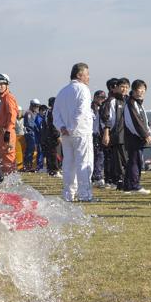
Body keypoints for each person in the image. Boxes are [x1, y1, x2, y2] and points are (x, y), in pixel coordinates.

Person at [52, 63, 95, 202]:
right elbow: (81, 111)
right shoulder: (83, 89)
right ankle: (85, 194)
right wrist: (71, 127)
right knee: (84, 163)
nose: (89, 77)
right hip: (81, 132)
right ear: (79, 75)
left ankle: (68, 194)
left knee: (69, 164)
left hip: (66, 134)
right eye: (86, 74)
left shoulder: (62, 91)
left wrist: (62, 127)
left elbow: (55, 113)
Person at [123, 80, 151, 194]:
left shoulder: (139, 104)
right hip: (133, 138)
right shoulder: (131, 103)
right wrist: (144, 135)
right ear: (134, 90)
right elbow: (134, 122)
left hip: (138, 137)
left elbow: (144, 121)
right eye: (140, 89)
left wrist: (149, 133)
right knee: (135, 162)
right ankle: (135, 186)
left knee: (134, 161)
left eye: (144, 89)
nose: (142, 92)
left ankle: (128, 186)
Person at [101, 78, 130, 190]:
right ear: (116, 88)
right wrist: (106, 134)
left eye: (127, 87)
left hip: (129, 137)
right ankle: (119, 181)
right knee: (118, 161)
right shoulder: (112, 101)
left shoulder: (129, 101)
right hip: (117, 136)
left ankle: (128, 180)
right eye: (122, 87)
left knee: (128, 160)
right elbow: (107, 119)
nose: (124, 89)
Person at [0, 73, 19, 175]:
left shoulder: (8, 97)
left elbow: (12, 115)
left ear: (7, 85)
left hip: (7, 132)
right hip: (2, 133)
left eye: (1, 84)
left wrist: (8, 132)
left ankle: (12, 183)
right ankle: (7, 183)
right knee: (4, 160)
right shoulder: (3, 98)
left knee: (9, 159)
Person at [41, 97, 62, 177]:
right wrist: (57, 136)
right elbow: (53, 125)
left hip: (47, 136)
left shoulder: (47, 111)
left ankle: (50, 170)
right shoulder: (53, 112)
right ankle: (55, 170)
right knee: (54, 153)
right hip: (52, 136)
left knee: (50, 153)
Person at [90, 90, 107, 187]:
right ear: (95, 97)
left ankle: (97, 175)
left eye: (103, 98)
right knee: (96, 156)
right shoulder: (89, 108)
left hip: (99, 134)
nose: (102, 99)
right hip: (91, 134)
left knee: (100, 156)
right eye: (100, 97)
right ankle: (96, 176)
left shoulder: (103, 108)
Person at [23, 99, 40, 171]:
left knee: (33, 150)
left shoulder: (35, 113)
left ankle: (30, 165)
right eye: (35, 106)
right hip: (30, 134)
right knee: (30, 150)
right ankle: (27, 166)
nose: (37, 107)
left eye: (37, 106)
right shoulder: (28, 113)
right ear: (32, 105)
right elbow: (30, 125)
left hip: (34, 134)